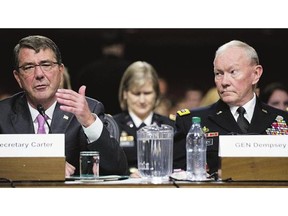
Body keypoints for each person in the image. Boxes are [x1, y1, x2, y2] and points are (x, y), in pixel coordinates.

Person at [0, 35, 128, 177]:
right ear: (18, 77)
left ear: (60, 71)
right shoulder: (3, 113)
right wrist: (47, 166)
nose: (39, 74)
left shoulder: (88, 110)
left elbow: (117, 168)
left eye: (46, 65)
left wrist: (89, 121)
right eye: (29, 67)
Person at [173, 40, 288, 176]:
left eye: (233, 72)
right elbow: (177, 176)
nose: (224, 82)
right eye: (218, 73)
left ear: (256, 74)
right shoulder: (191, 121)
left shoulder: (282, 120)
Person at [113, 61, 175, 175]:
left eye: (147, 93)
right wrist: (128, 174)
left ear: (156, 93)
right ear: (125, 93)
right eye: (136, 93)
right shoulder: (112, 126)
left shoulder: (170, 126)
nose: (142, 100)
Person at [77, 30, 131, 115]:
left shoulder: (88, 71)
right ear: (121, 47)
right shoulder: (129, 70)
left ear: (103, 48)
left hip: (94, 117)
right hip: (122, 119)